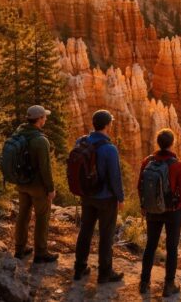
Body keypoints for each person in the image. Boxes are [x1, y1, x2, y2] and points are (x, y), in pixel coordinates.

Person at [73, 110, 125, 284]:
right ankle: (105, 273)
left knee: (85, 231)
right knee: (106, 235)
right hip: (106, 199)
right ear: (107, 125)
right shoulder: (110, 149)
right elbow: (115, 177)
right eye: (110, 123)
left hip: (87, 195)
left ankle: (79, 268)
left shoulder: (81, 141)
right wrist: (120, 197)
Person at [138, 128, 181, 296]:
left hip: (153, 209)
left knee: (150, 245)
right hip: (172, 211)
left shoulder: (147, 161)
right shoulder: (178, 165)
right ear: (172, 144)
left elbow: (140, 185)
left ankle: (144, 282)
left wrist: (143, 205)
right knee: (172, 248)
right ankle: (169, 285)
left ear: (158, 143)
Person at [14, 105, 59, 263]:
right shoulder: (41, 140)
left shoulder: (19, 133)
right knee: (42, 217)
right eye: (44, 117)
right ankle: (41, 252)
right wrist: (51, 188)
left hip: (21, 183)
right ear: (39, 119)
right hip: (37, 186)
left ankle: (19, 249)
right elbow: (45, 168)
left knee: (23, 215)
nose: (46, 119)